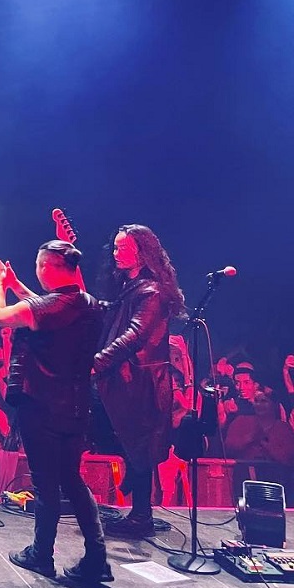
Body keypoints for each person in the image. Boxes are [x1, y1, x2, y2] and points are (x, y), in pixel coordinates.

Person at [0, 242, 110, 586]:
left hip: (42, 406)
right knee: (71, 478)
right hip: (76, 406)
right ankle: (97, 558)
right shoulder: (86, 303)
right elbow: (47, 308)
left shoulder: (53, 307)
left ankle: (41, 554)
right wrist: (17, 285)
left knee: (45, 483)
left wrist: (0, 284)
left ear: (46, 266)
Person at [96, 224, 184, 538]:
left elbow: (135, 335)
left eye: (124, 248)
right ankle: (136, 502)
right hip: (124, 380)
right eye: (115, 247)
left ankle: (141, 516)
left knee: (139, 446)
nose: (116, 253)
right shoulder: (129, 288)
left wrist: (98, 362)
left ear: (142, 252)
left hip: (142, 383)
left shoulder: (152, 292)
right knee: (127, 443)